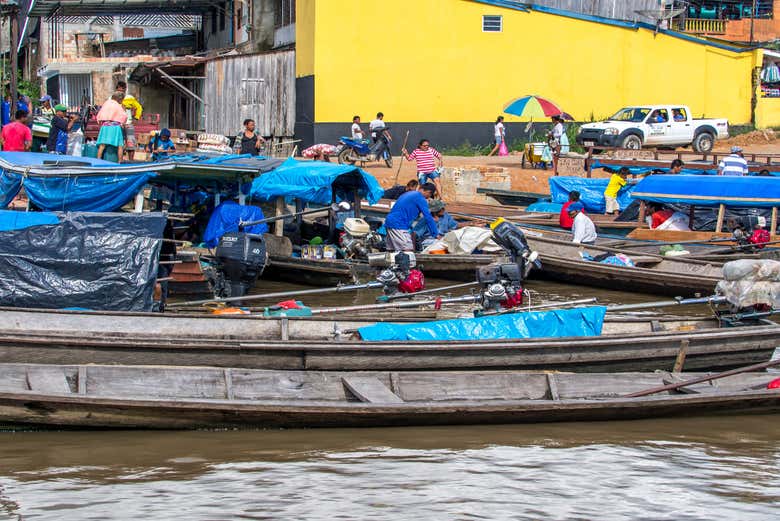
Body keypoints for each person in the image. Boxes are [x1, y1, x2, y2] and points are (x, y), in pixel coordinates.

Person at [384, 182, 438, 251]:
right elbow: (428, 217)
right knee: (408, 251)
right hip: (398, 225)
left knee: (392, 251)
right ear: (428, 192)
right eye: (430, 195)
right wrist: (435, 234)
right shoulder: (420, 198)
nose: (428, 198)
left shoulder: (408, 193)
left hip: (390, 222)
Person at [95, 91, 128, 162]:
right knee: (120, 145)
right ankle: (120, 161)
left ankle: (98, 159)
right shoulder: (118, 105)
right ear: (119, 99)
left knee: (102, 144)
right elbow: (124, 116)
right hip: (115, 127)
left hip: (105, 126)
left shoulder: (106, 103)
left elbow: (100, 113)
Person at [122, 93, 143, 161]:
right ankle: (121, 160)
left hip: (127, 124)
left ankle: (130, 161)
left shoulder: (128, 98)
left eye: (123, 89)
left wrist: (136, 117)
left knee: (129, 142)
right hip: (120, 124)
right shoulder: (114, 97)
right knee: (122, 142)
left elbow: (139, 107)